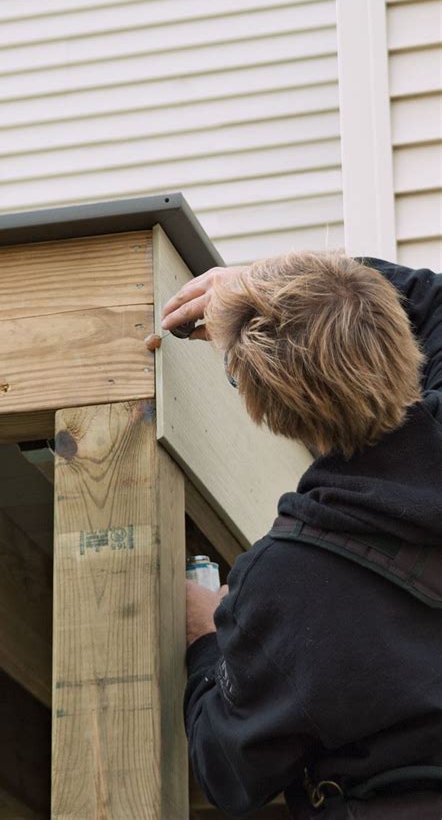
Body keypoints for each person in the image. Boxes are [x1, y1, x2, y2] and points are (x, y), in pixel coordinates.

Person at [160, 251, 442, 819]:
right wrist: (290, 284)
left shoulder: (289, 581)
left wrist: (204, 644)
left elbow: (229, 769)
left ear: (266, 406)